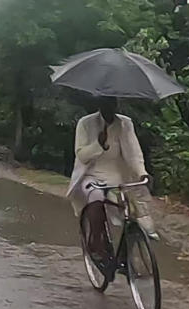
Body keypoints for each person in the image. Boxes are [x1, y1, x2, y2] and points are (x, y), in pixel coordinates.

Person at [67, 97, 156, 276]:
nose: (111, 109)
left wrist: (142, 173)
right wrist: (98, 144)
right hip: (92, 176)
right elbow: (81, 155)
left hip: (119, 178)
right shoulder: (85, 124)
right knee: (96, 199)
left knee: (132, 212)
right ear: (100, 105)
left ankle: (125, 256)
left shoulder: (125, 124)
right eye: (106, 104)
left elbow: (133, 153)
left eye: (113, 104)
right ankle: (95, 243)